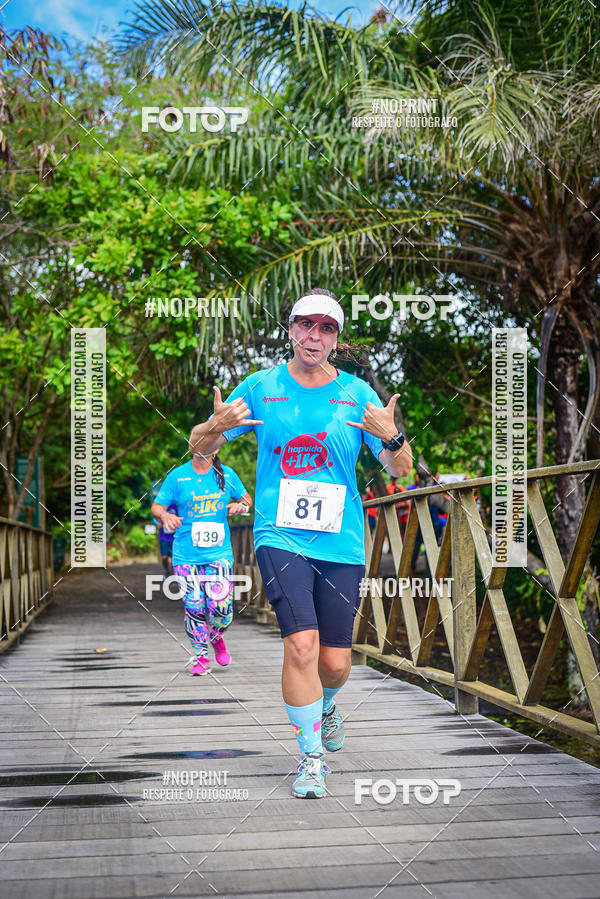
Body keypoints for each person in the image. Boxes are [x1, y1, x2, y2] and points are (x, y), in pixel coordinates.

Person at [189, 288, 412, 799]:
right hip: (278, 533)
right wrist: (213, 426)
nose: (314, 336)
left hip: (341, 542)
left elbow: (400, 471)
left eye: (326, 328)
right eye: (305, 326)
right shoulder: (262, 386)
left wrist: (394, 436)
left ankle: (327, 704)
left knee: (335, 662)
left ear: (336, 338)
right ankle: (311, 758)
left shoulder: (356, 394)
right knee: (301, 646)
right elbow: (200, 448)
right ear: (290, 330)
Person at [151, 441, 252, 676]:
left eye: (209, 443)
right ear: (190, 446)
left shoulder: (226, 474)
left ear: (216, 448)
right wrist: (166, 516)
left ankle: (216, 636)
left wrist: (241, 506)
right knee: (194, 605)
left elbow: (246, 499)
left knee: (221, 605)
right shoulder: (178, 476)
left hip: (219, 553)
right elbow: (157, 507)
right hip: (186, 553)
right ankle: (201, 656)